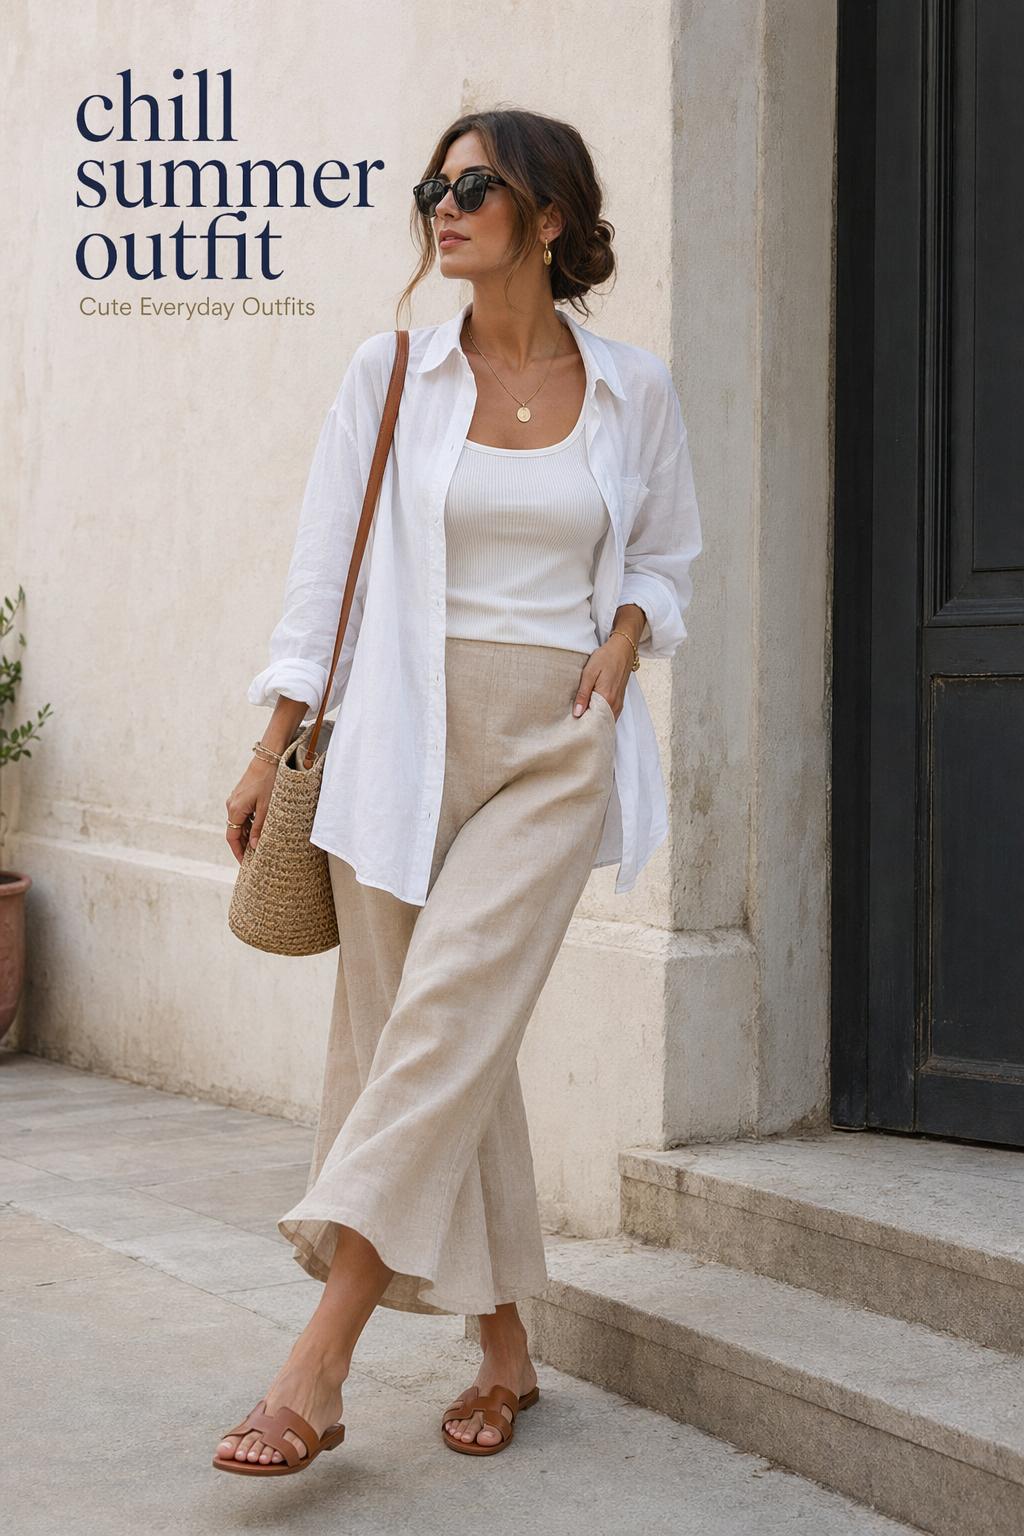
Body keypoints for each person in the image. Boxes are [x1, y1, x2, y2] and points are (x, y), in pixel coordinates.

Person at [215, 106, 702, 1476]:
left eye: (477, 184)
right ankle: (504, 1355)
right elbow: (328, 576)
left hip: (553, 739)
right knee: (440, 1044)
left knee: (440, 1020)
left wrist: (620, 642)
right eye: (436, 182)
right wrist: (272, 743)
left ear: (549, 219)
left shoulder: (632, 391)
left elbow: (667, 557)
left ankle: (319, 1358)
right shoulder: (389, 374)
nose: (445, 202)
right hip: (394, 736)